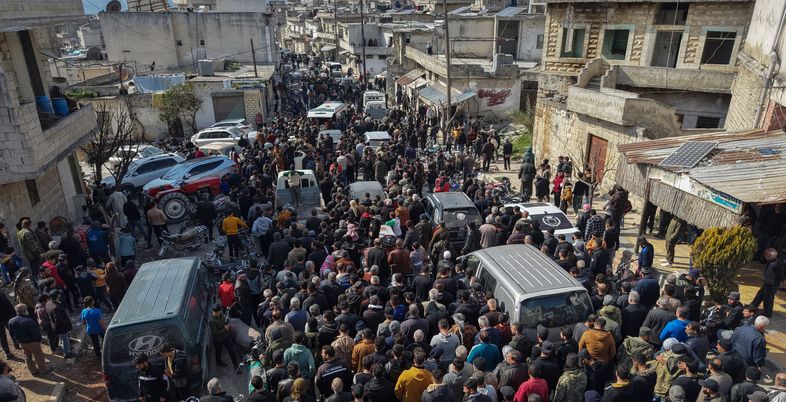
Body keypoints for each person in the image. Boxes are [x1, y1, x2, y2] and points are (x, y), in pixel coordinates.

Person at [8, 304, 48, 375]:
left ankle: (33, 371)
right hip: (33, 342)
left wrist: (17, 341)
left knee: (27, 357)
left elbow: (11, 333)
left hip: (22, 343)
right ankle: (43, 370)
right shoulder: (29, 321)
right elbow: (35, 333)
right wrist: (38, 340)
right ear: (25, 311)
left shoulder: (11, 321)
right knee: (38, 356)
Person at [750, 248, 783, 317]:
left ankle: (767, 313)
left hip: (772, 284)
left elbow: (779, 274)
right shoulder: (770, 260)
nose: (765, 256)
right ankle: (753, 306)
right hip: (768, 282)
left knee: (768, 299)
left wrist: (781, 282)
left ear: (770, 255)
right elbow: (762, 261)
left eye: (766, 255)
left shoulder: (776, 263)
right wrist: (765, 257)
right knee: (760, 294)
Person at [45, 290, 74, 358]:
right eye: (58, 294)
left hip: (54, 325)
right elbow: (58, 319)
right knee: (65, 339)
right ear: (57, 296)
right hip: (61, 327)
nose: (60, 295)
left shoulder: (48, 303)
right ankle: (67, 353)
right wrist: (66, 321)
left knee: (62, 339)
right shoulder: (55, 307)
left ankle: (66, 348)